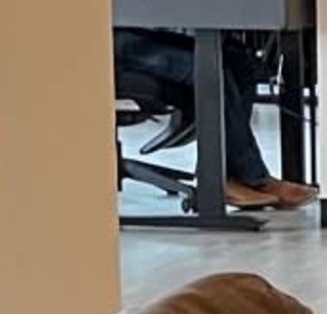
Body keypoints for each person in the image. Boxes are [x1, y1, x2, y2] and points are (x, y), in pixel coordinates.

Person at [116, 29, 311, 209]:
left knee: (240, 61)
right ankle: (230, 179)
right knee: (211, 66)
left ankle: (241, 176)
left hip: (137, 29)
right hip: (108, 40)